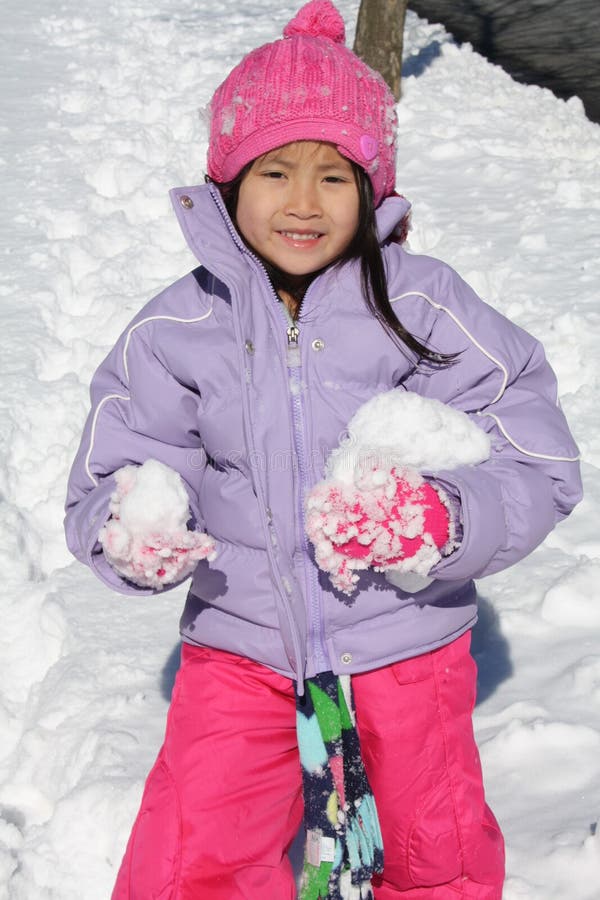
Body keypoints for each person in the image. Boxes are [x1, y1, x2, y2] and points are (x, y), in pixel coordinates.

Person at [64, 2, 582, 898]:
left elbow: (533, 451)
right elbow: (125, 456)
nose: (303, 203)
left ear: (372, 188)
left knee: (435, 847)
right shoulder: (177, 328)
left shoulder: (420, 308)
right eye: (275, 171)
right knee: (197, 849)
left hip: (407, 641)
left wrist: (442, 517)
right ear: (228, 184)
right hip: (238, 642)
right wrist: (131, 525)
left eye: (334, 177)